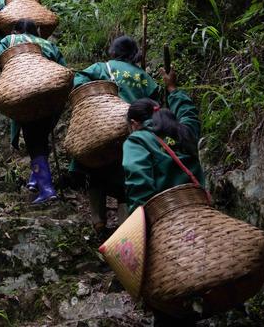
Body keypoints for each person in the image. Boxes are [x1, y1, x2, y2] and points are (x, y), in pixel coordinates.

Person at [122, 67, 203, 327]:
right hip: (200, 221)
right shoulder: (184, 133)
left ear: (135, 124)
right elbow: (189, 115)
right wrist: (173, 90)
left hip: (166, 227)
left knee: (166, 295)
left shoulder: (138, 141)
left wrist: (138, 232)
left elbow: (139, 186)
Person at [71, 35, 161, 231]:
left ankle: (98, 222)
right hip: (133, 132)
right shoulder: (144, 77)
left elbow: (78, 81)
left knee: (96, 173)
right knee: (125, 182)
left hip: (103, 129)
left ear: (113, 51)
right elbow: (156, 105)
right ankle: (124, 232)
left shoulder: (103, 68)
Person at [0, 19, 66, 204]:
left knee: (34, 143)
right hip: (51, 97)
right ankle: (35, 178)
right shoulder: (48, 44)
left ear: (16, 30)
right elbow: (62, 67)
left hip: (25, 95)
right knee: (41, 138)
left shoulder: (10, 40)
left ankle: (47, 189)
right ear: (36, 30)